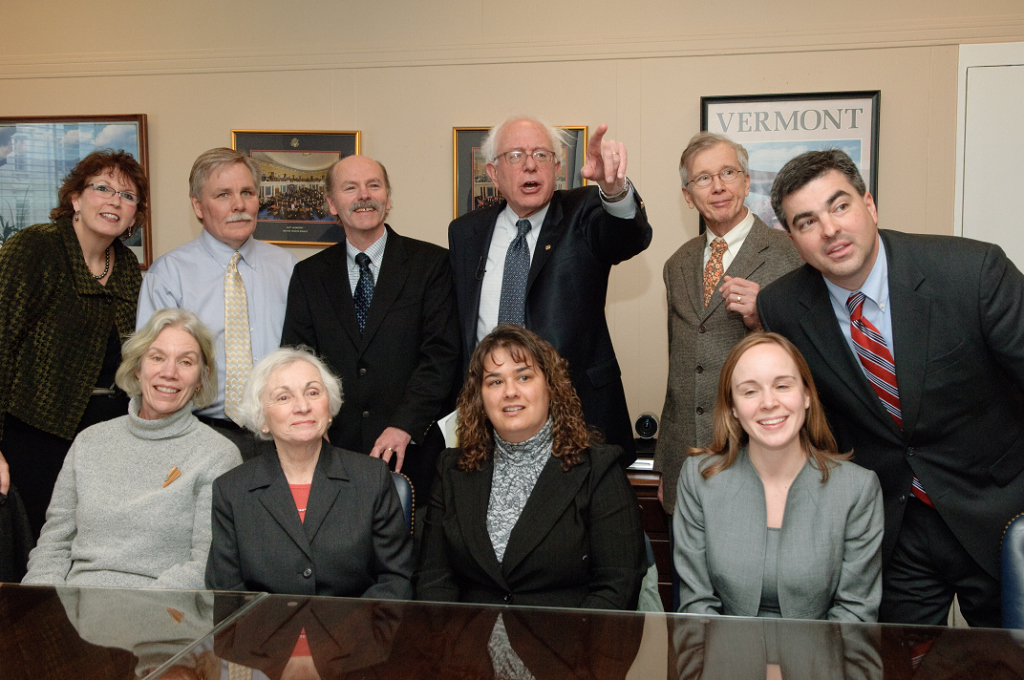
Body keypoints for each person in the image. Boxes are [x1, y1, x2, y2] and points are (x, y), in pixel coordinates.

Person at [757, 149, 1024, 627]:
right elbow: (815, 423)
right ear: (792, 239)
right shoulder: (782, 307)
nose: (830, 230)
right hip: (892, 528)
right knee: (898, 663)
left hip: (1002, 514)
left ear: (870, 206)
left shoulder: (972, 271)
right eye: (807, 221)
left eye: (840, 206)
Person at [448, 117, 651, 463]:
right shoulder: (465, 232)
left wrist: (614, 191)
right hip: (492, 418)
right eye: (515, 156)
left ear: (557, 168)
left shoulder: (584, 210)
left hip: (578, 417)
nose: (530, 164)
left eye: (541, 155)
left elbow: (627, 237)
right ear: (494, 173)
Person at [415, 325, 646, 609]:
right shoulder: (452, 469)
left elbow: (617, 586)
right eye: (495, 382)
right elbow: (433, 580)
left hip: (569, 643)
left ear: (550, 386)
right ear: (480, 397)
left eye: (524, 377)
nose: (510, 392)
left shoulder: (598, 468)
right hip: (467, 643)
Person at [23, 308, 242, 588]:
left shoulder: (218, 455)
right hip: (75, 612)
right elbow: (53, 546)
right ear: (138, 368)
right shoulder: (89, 442)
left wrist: (135, 616)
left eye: (186, 362)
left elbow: (203, 566)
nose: (169, 372)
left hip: (164, 614)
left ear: (201, 378)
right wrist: (42, 612)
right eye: (157, 358)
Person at [282, 155, 460, 501]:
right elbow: (297, 360)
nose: (364, 195)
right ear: (332, 204)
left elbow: (441, 356)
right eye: (351, 188)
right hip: (333, 451)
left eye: (374, 185)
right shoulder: (309, 275)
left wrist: (404, 425)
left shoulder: (432, 265)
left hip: (411, 452)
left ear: (388, 199)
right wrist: (314, 427)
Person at [674, 332, 883, 621]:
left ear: (807, 395)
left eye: (783, 386)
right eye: (750, 391)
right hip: (724, 659)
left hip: (820, 661)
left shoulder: (857, 490)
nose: (769, 402)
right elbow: (697, 609)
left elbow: (854, 618)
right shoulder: (699, 480)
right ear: (733, 407)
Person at [0, 149, 147, 538]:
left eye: (128, 196)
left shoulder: (127, 267)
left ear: (134, 215)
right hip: (36, 435)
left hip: (109, 438)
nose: (115, 201)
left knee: (94, 546)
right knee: (37, 550)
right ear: (75, 199)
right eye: (102, 188)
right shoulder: (35, 249)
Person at [655, 132, 802, 519]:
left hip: (761, 456)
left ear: (747, 181)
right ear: (688, 196)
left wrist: (762, 317)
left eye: (728, 173)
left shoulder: (791, 254)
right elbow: (680, 368)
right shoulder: (677, 264)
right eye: (703, 178)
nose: (718, 186)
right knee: (688, 578)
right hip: (685, 465)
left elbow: (815, 357)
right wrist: (663, 466)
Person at [205, 347, 413, 597]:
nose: (302, 406)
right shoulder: (231, 491)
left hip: (355, 632)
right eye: (283, 397)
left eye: (312, 392)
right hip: (266, 633)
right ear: (262, 419)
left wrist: (351, 636)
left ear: (329, 407)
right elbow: (227, 593)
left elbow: (396, 580)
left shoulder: (372, 478)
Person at [137, 147, 298, 461]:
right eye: (223, 194)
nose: (238, 204)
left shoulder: (289, 269)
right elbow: (151, 369)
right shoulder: (168, 275)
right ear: (198, 206)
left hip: (281, 436)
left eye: (247, 192)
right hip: (197, 435)